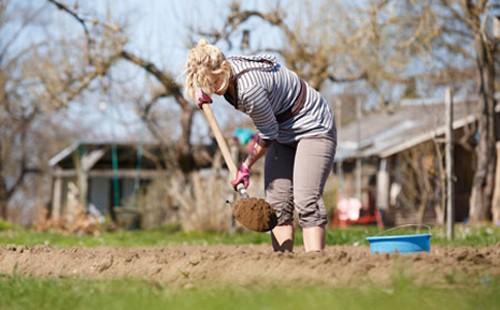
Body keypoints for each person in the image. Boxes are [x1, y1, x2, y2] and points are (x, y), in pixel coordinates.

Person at [185, 39, 337, 252]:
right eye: (208, 85)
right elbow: (272, 130)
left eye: (216, 82)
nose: (215, 90)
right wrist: (202, 91)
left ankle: (317, 264)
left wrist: (245, 167)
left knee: (306, 201)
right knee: (278, 205)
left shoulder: (249, 89)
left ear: (223, 66)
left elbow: (267, 135)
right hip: (282, 130)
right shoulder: (221, 70)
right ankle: (284, 268)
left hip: (312, 127)